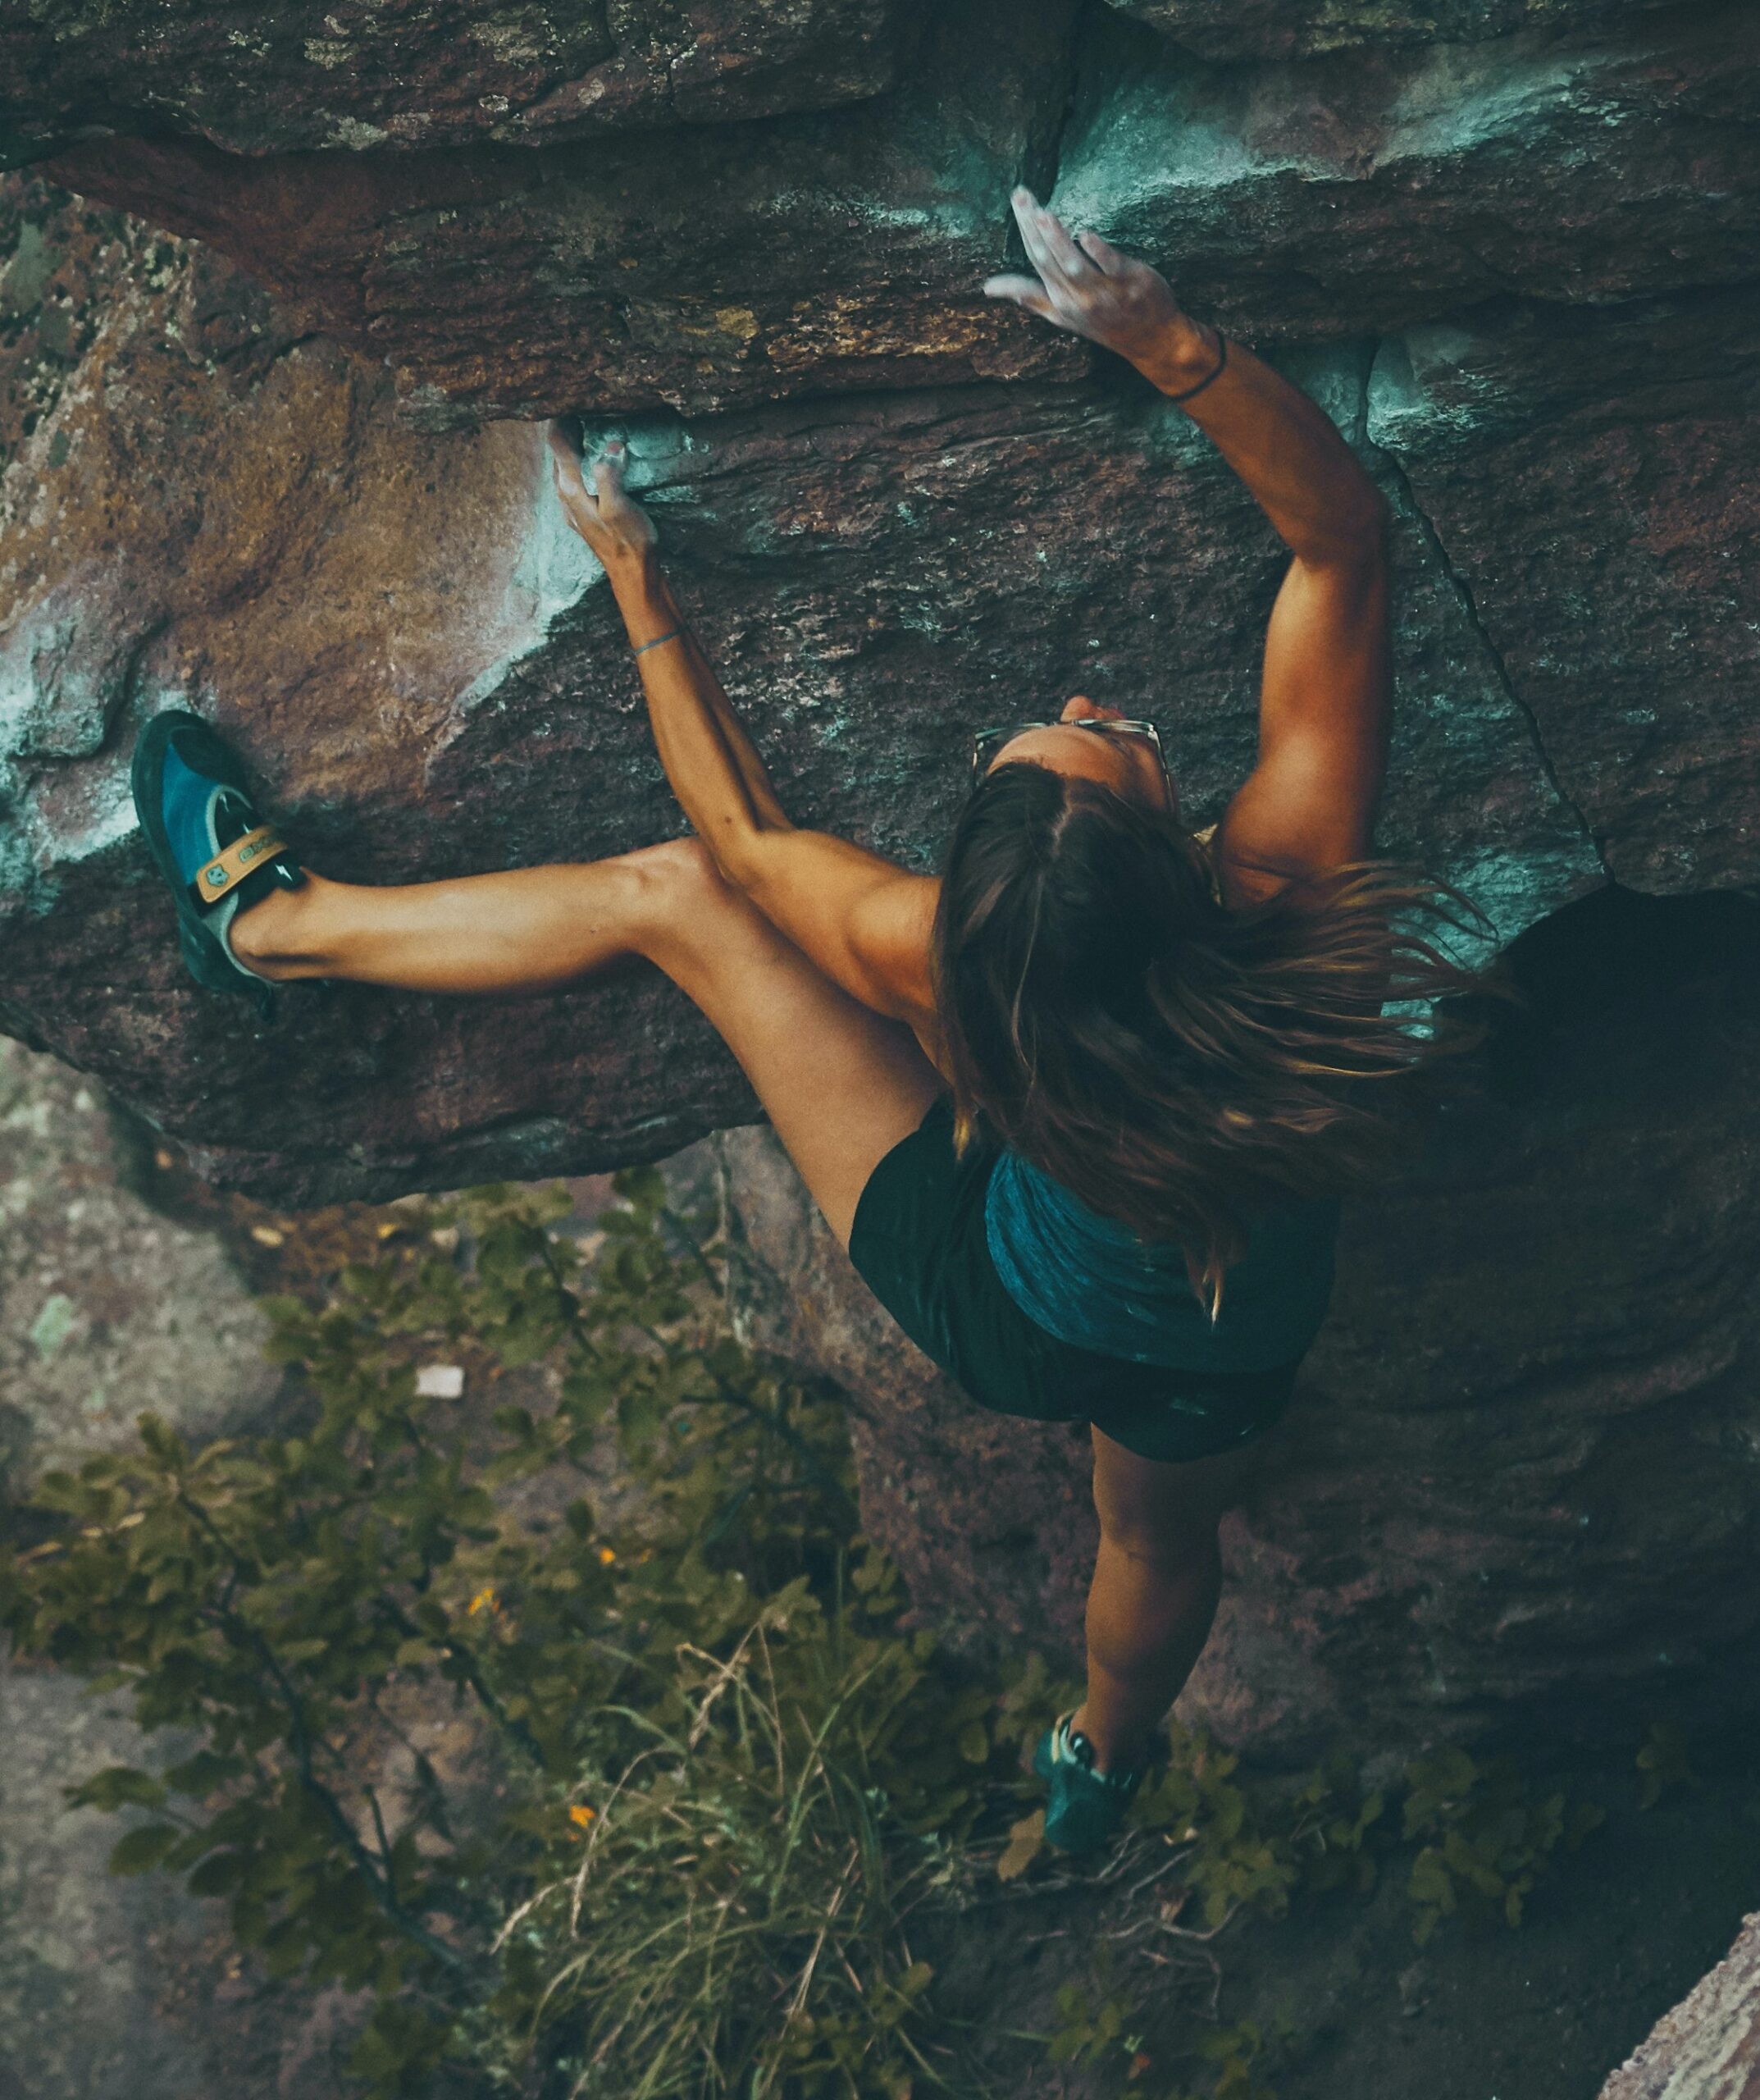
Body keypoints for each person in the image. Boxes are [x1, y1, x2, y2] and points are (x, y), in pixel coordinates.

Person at [130, 187, 1475, 1853]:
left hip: (1003, 1303)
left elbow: (741, 851)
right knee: (1153, 1541)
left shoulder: (939, 960)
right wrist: (1165, 342)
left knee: (677, 903)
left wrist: (636, 580)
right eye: (1092, 736)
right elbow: (1338, 538)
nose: (1078, 704)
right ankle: (1101, 1763)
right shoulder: (1292, 920)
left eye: (1072, 737)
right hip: (1215, 1332)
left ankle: (276, 927)